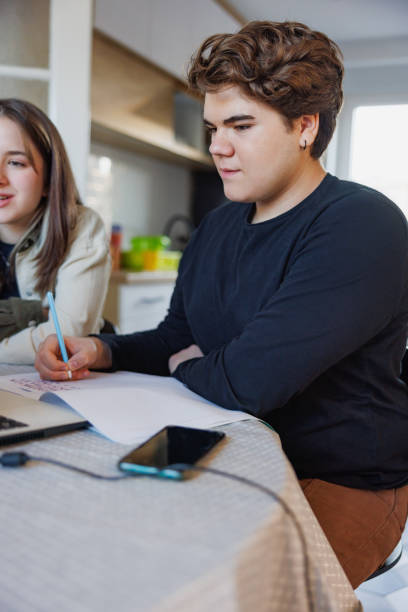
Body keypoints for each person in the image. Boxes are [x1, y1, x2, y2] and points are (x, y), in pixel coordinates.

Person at [35, 22, 408, 588]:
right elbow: (176, 335)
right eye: (213, 127)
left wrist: (189, 364)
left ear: (305, 127)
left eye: (240, 125)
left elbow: (251, 381)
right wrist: (101, 349)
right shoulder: (217, 226)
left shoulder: (361, 225)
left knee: (251, 593)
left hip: (341, 477)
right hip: (228, 444)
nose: (217, 147)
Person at [0, 98, 111, 363]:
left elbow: (67, 334)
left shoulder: (80, 227)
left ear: (50, 179)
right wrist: (36, 313)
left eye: (16, 163)